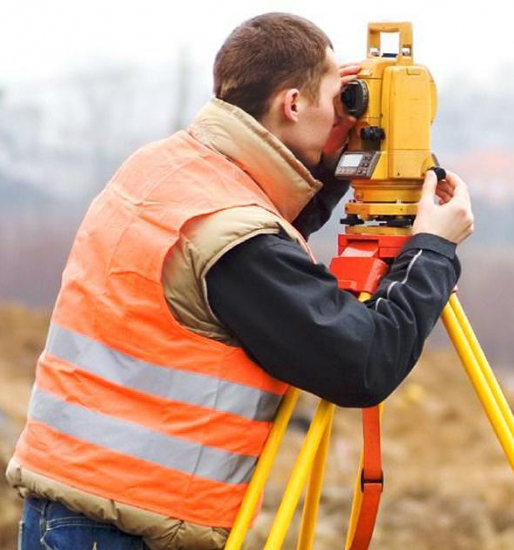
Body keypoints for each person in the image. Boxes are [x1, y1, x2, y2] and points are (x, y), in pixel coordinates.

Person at [7, 12, 473, 550]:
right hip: (126, 528)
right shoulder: (236, 239)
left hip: (79, 507)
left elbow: (254, 239)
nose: (342, 111)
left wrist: (328, 162)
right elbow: (363, 363)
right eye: (335, 97)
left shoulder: (164, 169)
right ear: (292, 105)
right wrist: (433, 250)